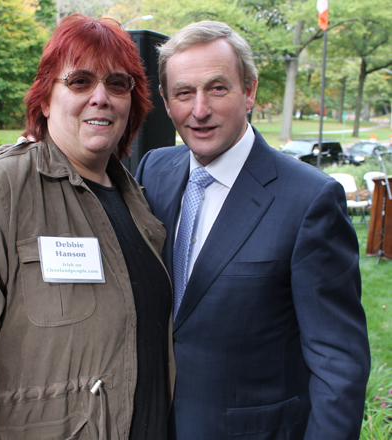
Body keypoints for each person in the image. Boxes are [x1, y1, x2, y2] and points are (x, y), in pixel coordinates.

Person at [0, 14, 173, 440]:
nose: (101, 97)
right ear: (46, 98)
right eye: (79, 82)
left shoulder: (138, 200)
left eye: (117, 83)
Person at [136, 21, 370, 440]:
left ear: (250, 92)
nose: (199, 109)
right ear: (167, 104)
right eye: (184, 93)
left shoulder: (309, 201)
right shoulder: (154, 170)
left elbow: (338, 364)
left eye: (218, 88)